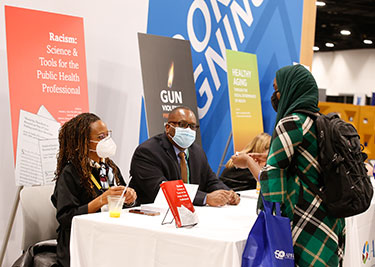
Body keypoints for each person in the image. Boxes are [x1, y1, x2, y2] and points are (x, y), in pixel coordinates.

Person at [231, 64, 345, 266]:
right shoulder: (322, 123)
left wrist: (248, 161)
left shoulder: (292, 122)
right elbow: (307, 166)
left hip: (306, 220)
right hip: (331, 218)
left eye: (278, 89)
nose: (275, 95)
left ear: (292, 88)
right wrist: (270, 160)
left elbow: (270, 183)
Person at [51, 113, 137, 267]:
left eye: (107, 135)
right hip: (79, 242)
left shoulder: (110, 167)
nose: (107, 141)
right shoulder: (70, 173)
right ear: (82, 142)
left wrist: (129, 198)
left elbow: (123, 199)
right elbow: (66, 217)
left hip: (108, 234)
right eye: (100, 137)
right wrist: (101, 200)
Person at [129, 106, 240, 207]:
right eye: (182, 124)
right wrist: (206, 198)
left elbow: (211, 181)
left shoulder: (197, 151)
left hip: (188, 214)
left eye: (192, 126)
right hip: (152, 213)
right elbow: (162, 190)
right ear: (168, 127)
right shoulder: (148, 152)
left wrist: (228, 193)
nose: (188, 130)